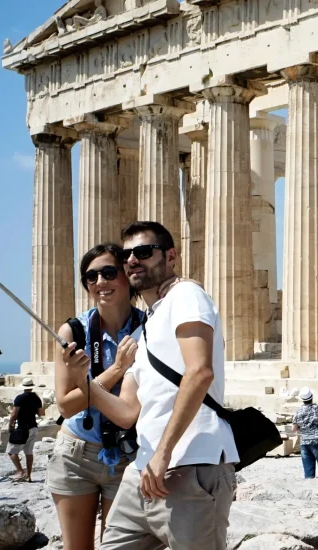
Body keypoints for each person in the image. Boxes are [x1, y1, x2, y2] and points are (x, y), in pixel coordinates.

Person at [62, 221, 240, 550]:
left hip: (191, 464)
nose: (132, 260)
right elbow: (126, 413)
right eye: (126, 255)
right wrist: (82, 381)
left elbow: (200, 372)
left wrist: (163, 453)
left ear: (170, 256)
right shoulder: (144, 328)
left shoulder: (186, 295)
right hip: (143, 471)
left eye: (144, 252)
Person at [49, 243, 145, 550]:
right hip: (76, 454)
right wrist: (116, 369)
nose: (100, 282)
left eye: (109, 272)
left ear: (127, 275)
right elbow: (66, 405)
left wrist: (88, 384)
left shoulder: (149, 327)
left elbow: (131, 408)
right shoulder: (74, 332)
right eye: (91, 276)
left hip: (130, 454)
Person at [8, 379, 45, 482]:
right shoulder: (36, 398)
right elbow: (40, 414)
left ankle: (20, 472)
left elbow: (14, 414)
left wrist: (10, 425)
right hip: (33, 427)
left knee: (11, 451)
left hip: (23, 428)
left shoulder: (19, 398)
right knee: (28, 452)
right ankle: (28, 476)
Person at [292, 388, 318, 479]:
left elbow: (294, 429)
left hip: (305, 442)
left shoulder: (298, 411)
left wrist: (303, 427)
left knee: (308, 472)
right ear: (312, 397)